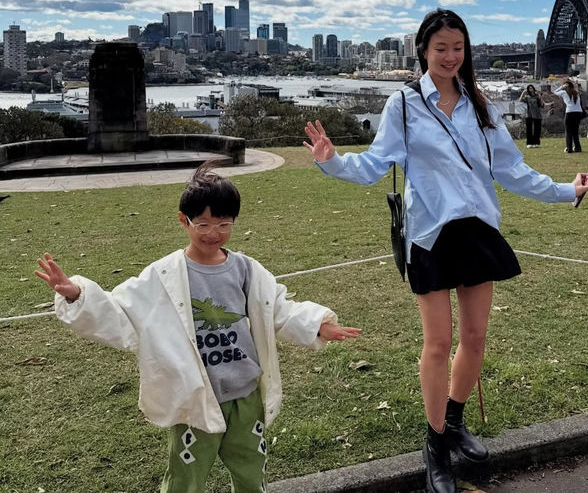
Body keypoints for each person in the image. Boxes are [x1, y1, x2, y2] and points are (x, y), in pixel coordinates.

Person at [303, 9, 588, 493]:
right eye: (441, 48)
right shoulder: (403, 104)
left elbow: (512, 169)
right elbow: (376, 164)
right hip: (431, 235)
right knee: (438, 344)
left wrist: (568, 190)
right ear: (423, 50)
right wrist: (332, 161)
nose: (450, 57)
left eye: (458, 48)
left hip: (478, 230)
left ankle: (455, 422)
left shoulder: (480, 103)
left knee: (475, 339)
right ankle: (435, 443)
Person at [34, 162, 360, 493]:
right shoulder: (163, 275)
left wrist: (318, 324)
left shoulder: (247, 270)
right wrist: (78, 295)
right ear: (183, 221)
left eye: (223, 224)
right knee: (185, 478)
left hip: (245, 395)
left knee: (251, 469)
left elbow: (276, 310)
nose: (212, 233)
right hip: (195, 399)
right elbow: (122, 315)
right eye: (202, 224)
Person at [554, 79, 584, 153]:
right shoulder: (576, 93)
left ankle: (569, 148)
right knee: (575, 131)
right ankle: (578, 148)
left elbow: (555, 92)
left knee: (568, 131)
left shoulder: (564, 92)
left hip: (570, 112)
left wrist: (562, 86)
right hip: (578, 112)